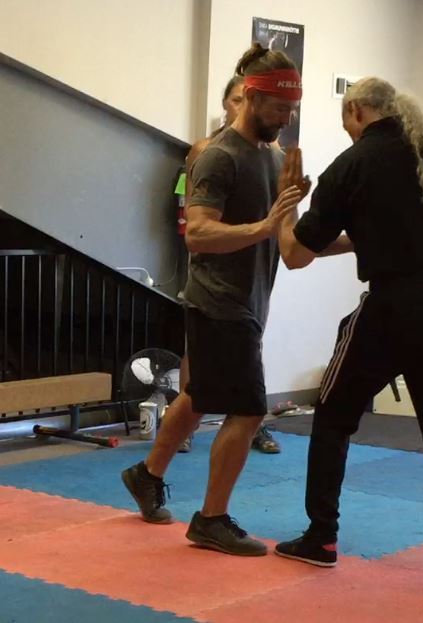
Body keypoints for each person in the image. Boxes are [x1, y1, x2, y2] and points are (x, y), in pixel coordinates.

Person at [274, 77, 423, 600]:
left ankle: (321, 538)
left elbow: (294, 254)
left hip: (391, 308)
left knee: (333, 416)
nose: (347, 130)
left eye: (346, 120)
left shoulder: (353, 163)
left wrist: (288, 200)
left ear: (356, 111)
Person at [120, 43, 306, 556]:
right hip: (220, 303)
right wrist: (265, 225)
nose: (286, 119)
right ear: (251, 97)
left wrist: (355, 240)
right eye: (279, 108)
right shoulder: (218, 156)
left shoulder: (274, 158)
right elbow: (199, 234)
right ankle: (211, 519)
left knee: (198, 397)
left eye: (292, 110)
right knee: (248, 411)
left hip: (248, 301)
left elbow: (290, 245)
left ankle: (146, 474)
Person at [177, 75, 281, 455]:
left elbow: (283, 223)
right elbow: (196, 220)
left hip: (255, 272)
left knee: (246, 351)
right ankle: (192, 429)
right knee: (202, 364)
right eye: (235, 100)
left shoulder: (273, 154)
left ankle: (149, 471)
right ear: (227, 104)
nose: (241, 106)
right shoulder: (208, 152)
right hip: (214, 276)